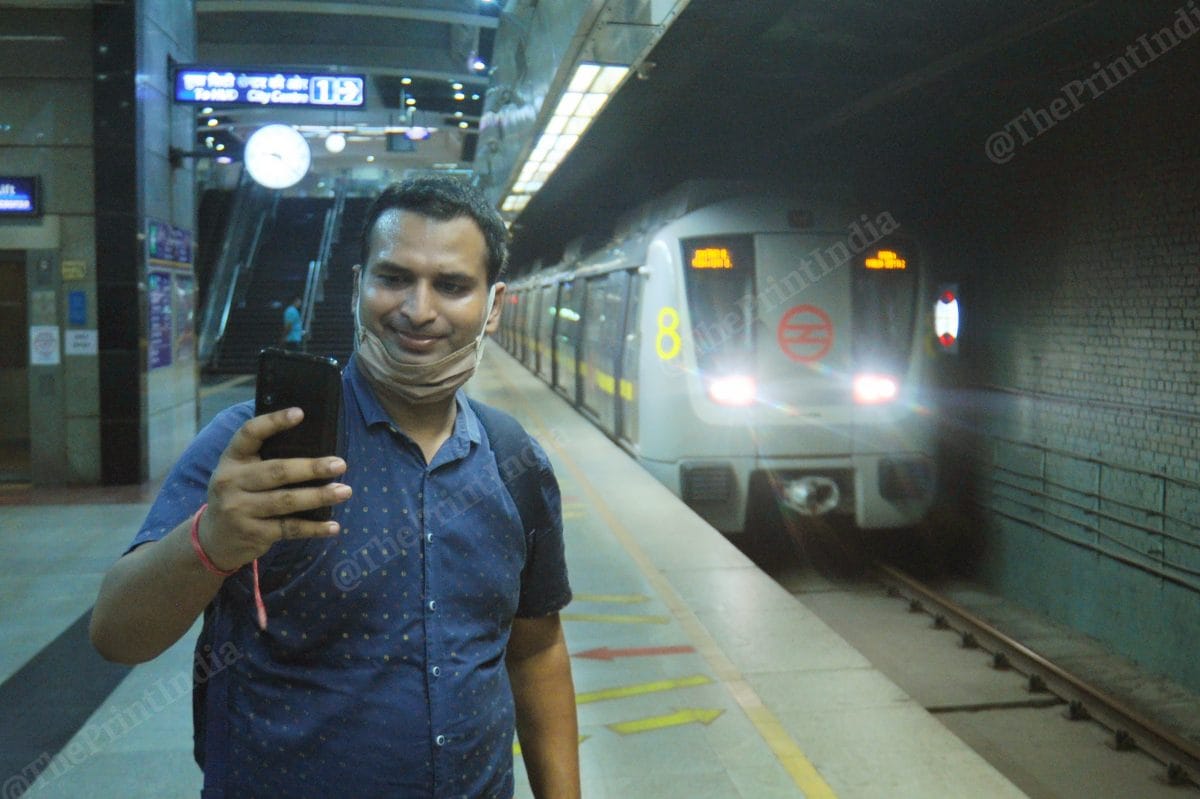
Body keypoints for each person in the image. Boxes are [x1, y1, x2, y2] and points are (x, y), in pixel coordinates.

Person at [90, 177, 580, 799]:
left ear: (493, 304)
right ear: (358, 286)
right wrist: (209, 541)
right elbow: (116, 634)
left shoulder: (516, 463)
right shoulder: (254, 446)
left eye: (451, 286)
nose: (418, 309)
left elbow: (535, 652)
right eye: (394, 277)